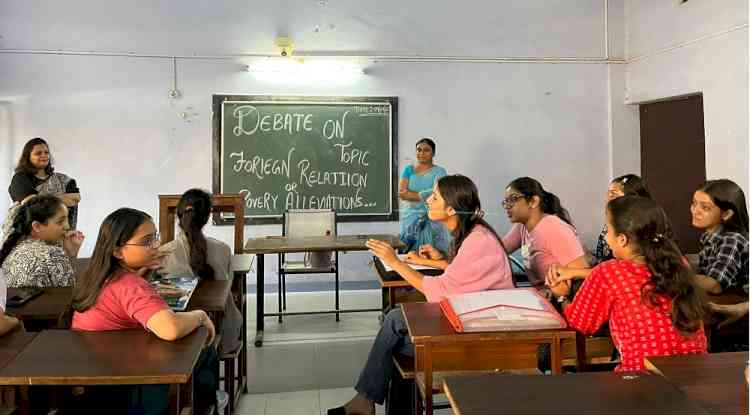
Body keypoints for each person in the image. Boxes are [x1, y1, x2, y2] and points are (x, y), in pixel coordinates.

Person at [327, 174, 513, 415]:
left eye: (435, 197)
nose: (428, 201)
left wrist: (395, 261)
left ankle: (366, 402)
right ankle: (371, 403)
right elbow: (464, 274)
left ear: (451, 209)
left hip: (485, 339)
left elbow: (438, 292)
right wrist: (441, 261)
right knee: (396, 336)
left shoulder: (479, 241)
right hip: (469, 320)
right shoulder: (473, 234)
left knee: (395, 323)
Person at [66, 207, 218, 414]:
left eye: (155, 237)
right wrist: (200, 315)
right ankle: (206, 406)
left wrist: (141, 273)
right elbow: (170, 329)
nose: (156, 245)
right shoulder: (129, 285)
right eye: (147, 241)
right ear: (117, 251)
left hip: (96, 379)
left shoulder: (97, 275)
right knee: (205, 350)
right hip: (124, 389)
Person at [548, 196, 707, 372]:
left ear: (622, 239)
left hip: (641, 378)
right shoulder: (679, 264)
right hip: (695, 374)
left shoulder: (608, 272)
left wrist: (561, 296)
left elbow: (579, 324)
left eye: (607, 230)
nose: (606, 237)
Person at [160, 189, 242, 353]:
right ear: (207, 217)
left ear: (178, 215)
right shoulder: (223, 250)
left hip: (176, 337)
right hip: (222, 331)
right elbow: (229, 289)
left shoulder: (162, 255)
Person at [547, 174, 653, 285]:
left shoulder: (633, 228)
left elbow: (616, 272)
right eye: (608, 192)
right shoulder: (613, 223)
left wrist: (573, 273)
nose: (607, 198)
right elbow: (603, 261)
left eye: (613, 194)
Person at [501, 177, 587, 288]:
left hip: (561, 298)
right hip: (540, 294)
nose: (507, 206)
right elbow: (499, 249)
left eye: (513, 199)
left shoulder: (554, 228)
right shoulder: (522, 226)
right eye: (506, 201)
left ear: (533, 201)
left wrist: (552, 292)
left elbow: (581, 274)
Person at [3, 138, 81, 243]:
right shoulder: (21, 178)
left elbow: (75, 198)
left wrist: (42, 198)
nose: (44, 155)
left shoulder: (63, 179)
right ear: (28, 157)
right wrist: (61, 198)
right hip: (27, 239)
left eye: (46, 152)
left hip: (61, 236)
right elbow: (31, 203)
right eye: (38, 153)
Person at [0, 195, 83, 288]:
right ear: (37, 226)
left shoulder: (13, 245)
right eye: (60, 221)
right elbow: (70, 294)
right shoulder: (52, 254)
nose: (67, 226)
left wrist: (69, 253)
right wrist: (69, 256)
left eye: (67, 219)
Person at [690, 179, 749, 294]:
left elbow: (714, 285)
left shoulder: (731, 240)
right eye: (694, 203)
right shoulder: (708, 237)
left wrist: (676, 277)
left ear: (726, 214)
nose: (695, 211)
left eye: (705, 207)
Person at [398, 138, 450, 254]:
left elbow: (438, 194)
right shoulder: (408, 169)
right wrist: (426, 194)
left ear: (433, 153)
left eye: (426, 150)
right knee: (408, 252)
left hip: (431, 217)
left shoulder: (440, 172)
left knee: (429, 253)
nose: (421, 153)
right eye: (418, 150)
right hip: (410, 218)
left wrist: (411, 194)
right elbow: (402, 194)